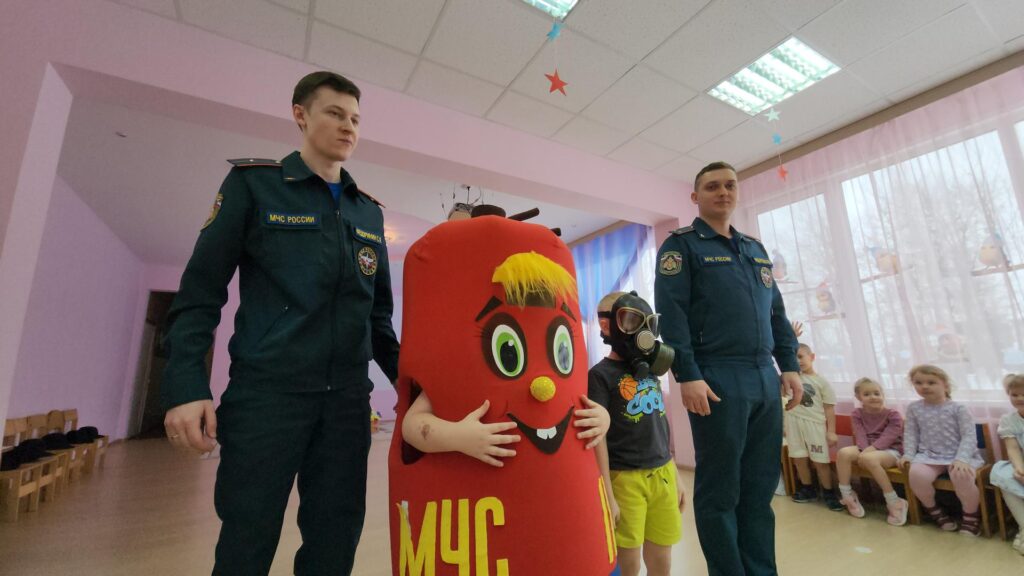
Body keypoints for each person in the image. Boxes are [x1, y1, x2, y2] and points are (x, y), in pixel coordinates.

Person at [161, 71, 400, 575]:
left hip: (346, 405)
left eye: (356, 119)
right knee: (246, 540)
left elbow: (379, 320)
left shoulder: (368, 213)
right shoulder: (254, 185)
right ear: (300, 115)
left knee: (335, 541)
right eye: (335, 113)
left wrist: (415, 389)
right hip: (267, 397)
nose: (349, 127)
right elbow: (200, 291)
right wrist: (186, 385)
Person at [654, 161, 802, 575]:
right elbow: (672, 314)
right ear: (695, 196)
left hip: (764, 377)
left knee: (759, 490)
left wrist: (789, 364)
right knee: (720, 492)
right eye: (712, 186)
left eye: (730, 185)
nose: (723, 192)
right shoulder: (681, 247)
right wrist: (688, 374)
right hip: (716, 376)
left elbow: (776, 312)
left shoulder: (755, 249)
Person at [589, 291, 683, 576]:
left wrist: (675, 474)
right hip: (624, 479)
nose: (642, 332)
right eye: (631, 321)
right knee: (628, 563)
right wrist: (607, 494)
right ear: (607, 326)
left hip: (662, 474)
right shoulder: (599, 375)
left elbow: (659, 424)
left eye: (647, 323)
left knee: (662, 560)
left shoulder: (649, 370)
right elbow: (597, 439)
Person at [899, 365, 985, 536]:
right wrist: (908, 454)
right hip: (929, 455)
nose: (924, 386)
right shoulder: (914, 408)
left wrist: (962, 459)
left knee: (961, 475)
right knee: (916, 475)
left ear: (945, 385)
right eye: (918, 383)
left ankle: (971, 517)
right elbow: (911, 434)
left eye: (931, 382)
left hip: (960, 456)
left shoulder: (958, 408)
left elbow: (969, 435)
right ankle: (935, 512)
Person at [833, 377, 907, 524]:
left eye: (876, 393)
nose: (873, 397)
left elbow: (889, 437)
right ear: (859, 397)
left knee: (869, 459)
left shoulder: (893, 414)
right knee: (843, 453)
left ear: (882, 394)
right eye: (867, 394)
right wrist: (864, 450)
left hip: (891, 451)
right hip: (866, 448)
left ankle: (894, 501)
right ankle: (848, 495)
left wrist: (868, 451)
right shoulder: (857, 413)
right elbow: (859, 433)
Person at [786, 344, 841, 510]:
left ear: (812, 357)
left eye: (800, 356)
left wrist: (831, 431)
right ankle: (808, 489)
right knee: (799, 459)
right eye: (794, 357)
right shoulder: (790, 379)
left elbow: (829, 408)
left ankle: (829, 492)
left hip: (815, 425)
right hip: (793, 423)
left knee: (820, 461)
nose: (797, 361)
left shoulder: (821, 382)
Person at [989, 374, 1024, 553]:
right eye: (1014, 394)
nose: (1020, 398)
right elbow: (1013, 448)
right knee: (1006, 476)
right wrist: (1020, 469)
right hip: (1021, 462)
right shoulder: (1008, 420)